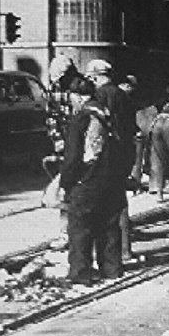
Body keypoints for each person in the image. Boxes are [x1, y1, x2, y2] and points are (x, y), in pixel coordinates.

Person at [59, 76, 126, 285]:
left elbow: (72, 157)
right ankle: (112, 269)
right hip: (111, 179)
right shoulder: (107, 115)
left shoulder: (81, 118)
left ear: (77, 96)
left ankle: (80, 273)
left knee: (80, 227)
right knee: (108, 225)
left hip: (87, 180)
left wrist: (65, 184)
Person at [86, 59, 137, 262]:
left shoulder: (101, 95)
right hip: (123, 153)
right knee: (119, 202)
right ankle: (125, 250)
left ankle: (116, 254)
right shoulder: (121, 95)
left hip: (109, 156)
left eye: (91, 78)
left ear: (96, 77)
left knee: (109, 205)